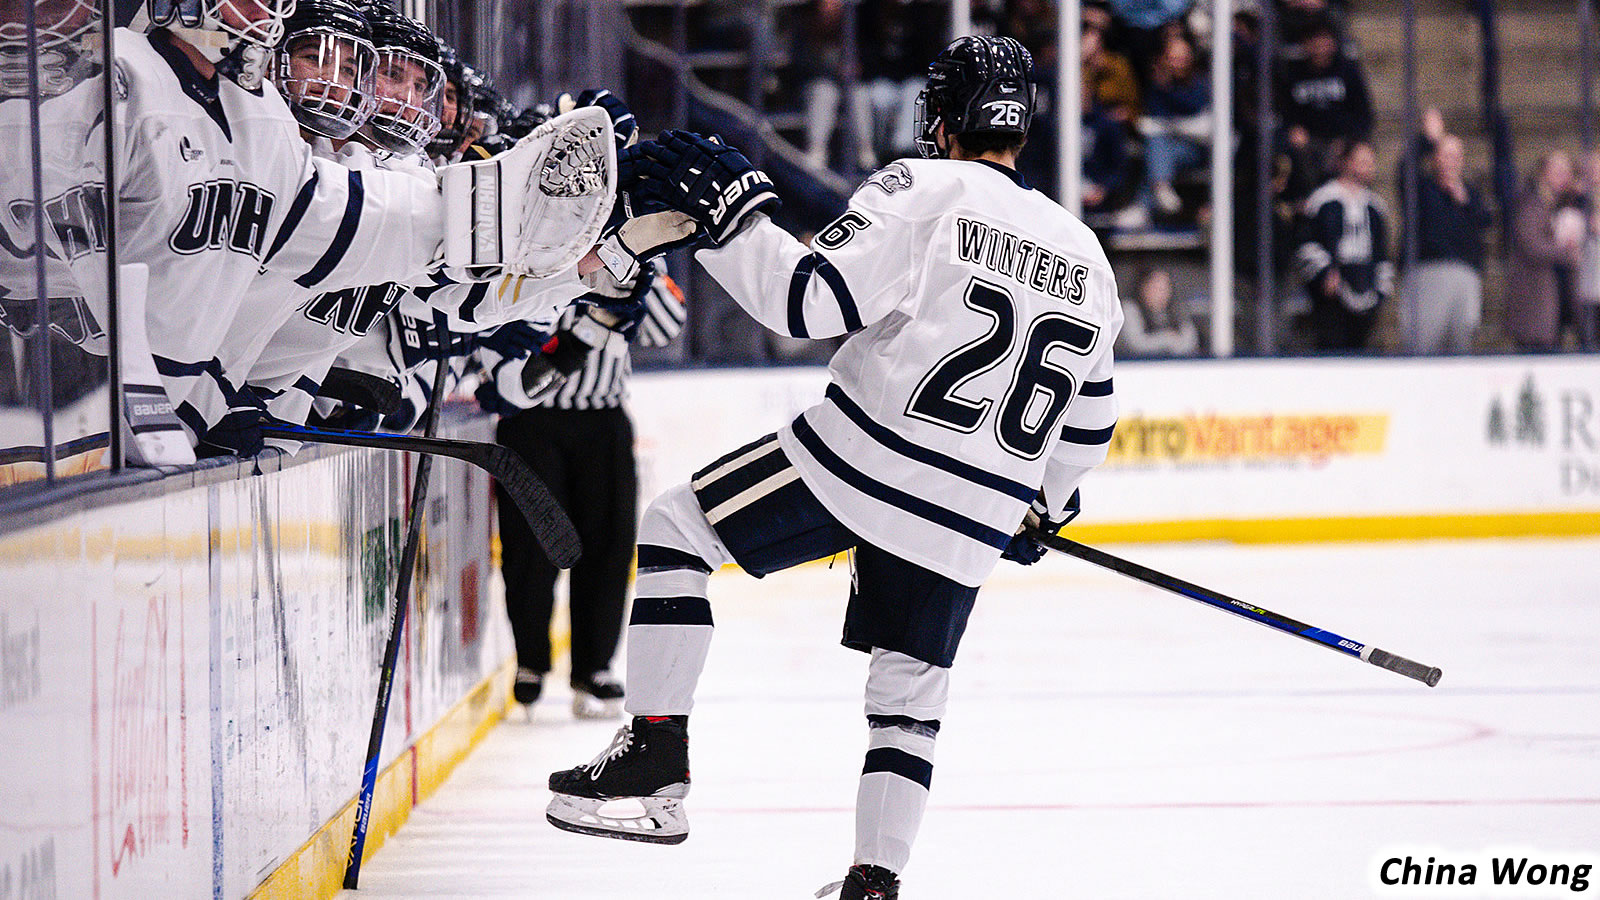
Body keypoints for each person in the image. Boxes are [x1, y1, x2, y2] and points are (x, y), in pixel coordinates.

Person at [545, 36, 1123, 900]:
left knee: (675, 529)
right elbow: (1089, 426)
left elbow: (805, 301)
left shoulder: (923, 188)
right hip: (974, 511)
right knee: (909, 699)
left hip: (866, 459)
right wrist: (1043, 505)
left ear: (942, 118)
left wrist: (733, 220)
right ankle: (874, 883)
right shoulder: (1086, 254)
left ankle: (656, 762)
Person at [478, 265, 686, 718]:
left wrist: (645, 264)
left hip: (603, 419)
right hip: (530, 420)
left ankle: (595, 666)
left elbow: (665, 328)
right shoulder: (532, 237)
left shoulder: (636, 245)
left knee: (608, 546)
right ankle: (530, 661)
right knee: (529, 547)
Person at [1295, 140, 1393, 351]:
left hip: (1366, 292)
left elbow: (1382, 253)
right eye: (1361, 161)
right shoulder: (1323, 200)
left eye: (1370, 162)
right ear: (1346, 162)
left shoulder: (1375, 207)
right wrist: (1324, 274)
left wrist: (1381, 288)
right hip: (1330, 299)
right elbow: (1307, 244)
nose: (1367, 167)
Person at [1404, 133, 1492, 355]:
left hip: (1465, 275)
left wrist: (1465, 202)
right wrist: (1425, 139)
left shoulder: (1471, 194)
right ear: (1435, 158)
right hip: (1429, 274)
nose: (1451, 161)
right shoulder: (1422, 189)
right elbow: (1405, 169)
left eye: (1456, 155)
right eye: (1446, 155)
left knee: (1461, 344)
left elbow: (1485, 222)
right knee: (1424, 343)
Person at [1507, 151, 1582, 352]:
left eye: (1567, 172)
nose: (1563, 176)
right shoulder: (1530, 203)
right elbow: (1532, 246)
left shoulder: (1564, 204)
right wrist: (1567, 254)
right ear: (1543, 172)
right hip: (1535, 306)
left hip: (1559, 301)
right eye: (1557, 170)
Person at [1116, 267, 1199, 357]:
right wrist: (1167, 338)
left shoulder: (1176, 310)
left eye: (1165, 288)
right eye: (1156, 288)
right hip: (1135, 366)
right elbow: (1135, 344)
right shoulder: (1130, 308)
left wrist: (1175, 344)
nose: (1161, 294)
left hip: (1171, 367)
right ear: (1143, 288)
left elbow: (1190, 342)